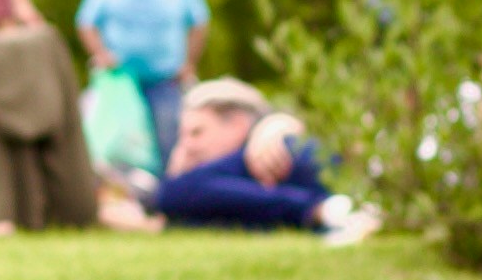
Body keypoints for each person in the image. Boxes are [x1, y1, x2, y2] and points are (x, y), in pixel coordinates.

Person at [74, 0, 208, 169]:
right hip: (120, 79)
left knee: (170, 140)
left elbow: (199, 22)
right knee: (115, 144)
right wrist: (100, 54)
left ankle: (167, 200)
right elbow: (85, 22)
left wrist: (189, 63)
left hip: (165, 78)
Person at [134, 77, 338, 231]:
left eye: (197, 132)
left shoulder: (272, 148)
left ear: (238, 125)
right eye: (182, 136)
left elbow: (174, 194)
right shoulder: (231, 179)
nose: (186, 145)